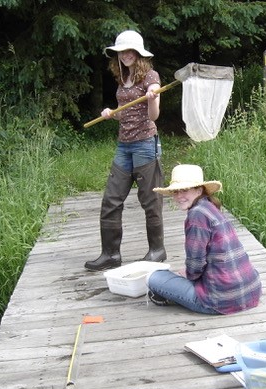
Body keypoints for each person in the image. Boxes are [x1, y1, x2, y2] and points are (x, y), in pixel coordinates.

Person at [85, 30, 166, 271]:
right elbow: (125, 113)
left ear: (139, 54)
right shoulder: (123, 78)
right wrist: (111, 113)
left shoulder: (151, 76)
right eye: (122, 51)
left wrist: (152, 99)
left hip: (144, 144)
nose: (125, 55)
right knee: (111, 199)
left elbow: (154, 116)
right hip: (124, 145)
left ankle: (157, 251)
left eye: (130, 51)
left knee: (150, 200)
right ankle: (110, 254)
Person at [146, 164, 262, 314]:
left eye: (185, 190)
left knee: (153, 277)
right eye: (176, 191)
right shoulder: (210, 207)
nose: (179, 196)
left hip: (220, 301)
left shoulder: (196, 215)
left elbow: (195, 265)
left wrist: (188, 274)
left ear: (199, 190)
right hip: (251, 291)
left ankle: (175, 297)